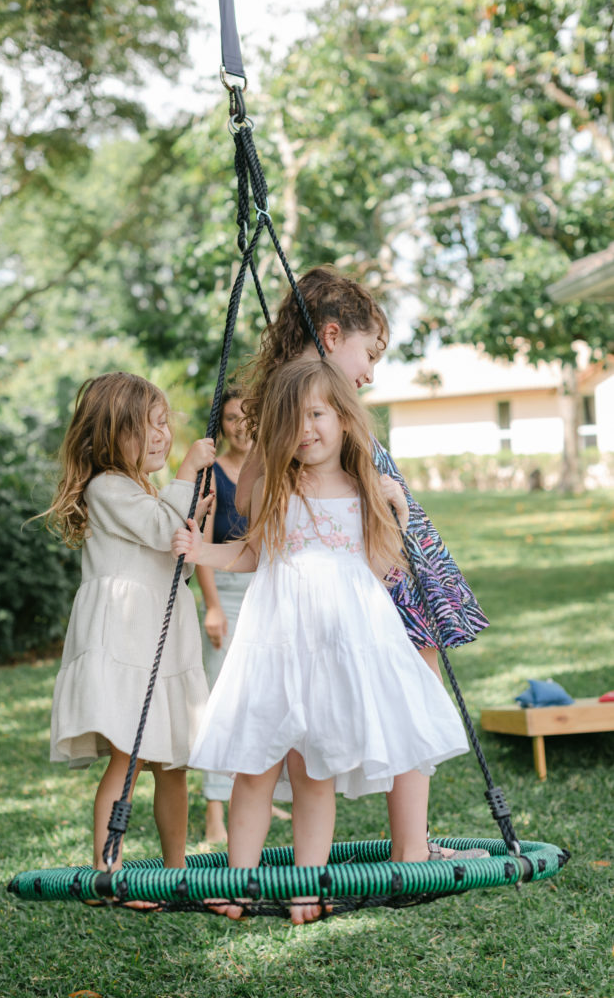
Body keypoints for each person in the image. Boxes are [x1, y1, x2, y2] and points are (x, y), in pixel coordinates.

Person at [173, 357, 487, 925]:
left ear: (344, 418)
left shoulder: (364, 486)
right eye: (293, 420)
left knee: (314, 769)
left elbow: (380, 564)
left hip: (342, 641)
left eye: (318, 414)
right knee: (255, 765)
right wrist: (201, 554)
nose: (306, 429)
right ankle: (239, 884)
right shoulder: (276, 483)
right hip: (275, 639)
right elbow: (252, 552)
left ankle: (307, 887)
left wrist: (396, 511)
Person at [236, 266, 489, 860]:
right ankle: (411, 847)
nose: (372, 372)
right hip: (367, 564)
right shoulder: (307, 406)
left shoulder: (300, 398)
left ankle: (413, 841)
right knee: (411, 689)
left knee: (413, 687)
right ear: (330, 337)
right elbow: (257, 490)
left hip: (377, 549)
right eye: (368, 352)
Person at [45, 371, 215, 901]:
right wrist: (187, 474)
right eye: (150, 426)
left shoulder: (144, 490)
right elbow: (164, 530)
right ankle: (107, 871)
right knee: (131, 755)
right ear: (111, 436)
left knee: (173, 763)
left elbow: (176, 565)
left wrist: (195, 520)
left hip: (162, 638)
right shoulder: (108, 487)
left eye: (166, 423)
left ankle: (176, 868)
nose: (164, 435)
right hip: (127, 639)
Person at [195, 387, 290, 843]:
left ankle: (258, 793)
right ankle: (216, 809)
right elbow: (204, 546)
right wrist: (212, 606)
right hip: (228, 588)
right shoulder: (211, 474)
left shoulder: (274, 464)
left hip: (269, 586)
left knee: (264, 697)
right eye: (231, 418)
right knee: (222, 700)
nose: (239, 426)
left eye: (247, 417)